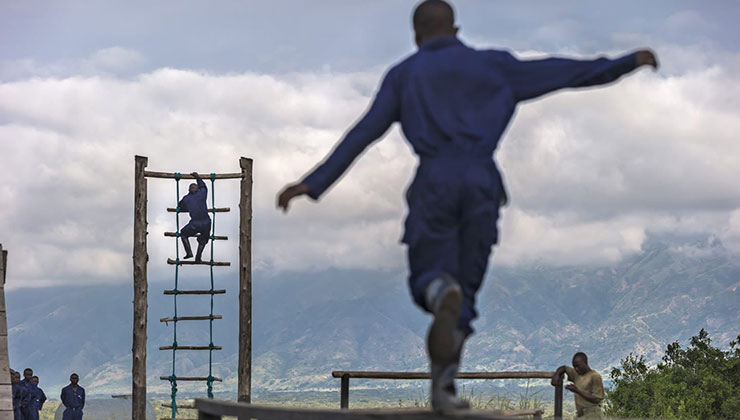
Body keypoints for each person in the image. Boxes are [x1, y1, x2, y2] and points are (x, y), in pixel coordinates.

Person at [277, 0, 657, 411]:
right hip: (482, 185)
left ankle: (441, 298)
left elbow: (363, 133)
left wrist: (311, 183)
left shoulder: (405, 75)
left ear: (417, 36)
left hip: (434, 183)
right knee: (467, 301)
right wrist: (626, 61)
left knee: (430, 280)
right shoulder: (493, 66)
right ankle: (444, 388)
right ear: (456, 31)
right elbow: (565, 71)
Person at [551, 352, 605, 418]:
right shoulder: (577, 374)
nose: (576, 368)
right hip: (581, 415)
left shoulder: (594, 376)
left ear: (585, 363)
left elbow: (597, 399)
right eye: (574, 366)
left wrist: (577, 391)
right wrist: (556, 375)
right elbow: (564, 368)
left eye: (578, 366)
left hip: (593, 414)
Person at [178, 172, 211, 262]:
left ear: (189, 190)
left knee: (183, 233)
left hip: (195, 223)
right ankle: (198, 257)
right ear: (197, 189)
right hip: (207, 222)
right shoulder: (202, 193)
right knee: (204, 239)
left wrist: (187, 205)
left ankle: (189, 252)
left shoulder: (186, 198)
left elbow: (180, 205)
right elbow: (203, 186)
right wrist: (197, 176)